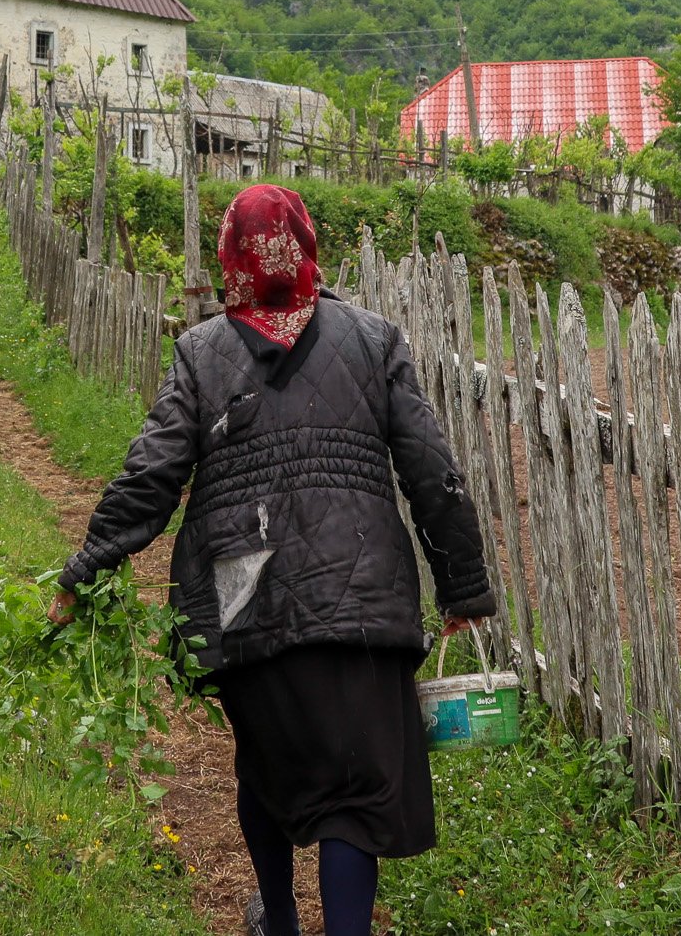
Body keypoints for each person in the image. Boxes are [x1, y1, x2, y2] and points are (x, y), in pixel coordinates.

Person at [47, 184, 496, 936]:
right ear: (307, 245)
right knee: (353, 792)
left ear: (232, 255)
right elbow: (432, 470)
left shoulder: (202, 353)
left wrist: (84, 569)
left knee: (264, 759)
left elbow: (151, 474)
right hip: (362, 593)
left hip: (244, 595)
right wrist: (463, 588)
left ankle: (279, 919)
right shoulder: (374, 340)